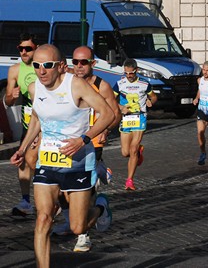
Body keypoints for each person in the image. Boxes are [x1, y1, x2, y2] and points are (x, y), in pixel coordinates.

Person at [10, 44, 114, 268]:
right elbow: (37, 120)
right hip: (47, 161)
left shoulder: (76, 86)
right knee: (43, 219)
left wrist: (83, 140)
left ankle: (100, 208)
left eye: (47, 66)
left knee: (77, 227)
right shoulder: (34, 88)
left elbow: (108, 114)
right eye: (37, 66)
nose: (41, 71)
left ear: (59, 66)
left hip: (77, 162)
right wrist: (22, 148)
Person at [52, 46, 121, 251]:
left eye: (84, 62)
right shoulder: (67, 82)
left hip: (92, 144)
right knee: (58, 188)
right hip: (66, 143)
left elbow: (115, 114)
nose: (79, 66)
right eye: (75, 62)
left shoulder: (103, 86)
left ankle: (83, 234)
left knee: (82, 191)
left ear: (93, 63)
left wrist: (105, 130)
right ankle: (71, 219)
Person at [4, 33, 38, 217]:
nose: (24, 52)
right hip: (28, 121)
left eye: (28, 49)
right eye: (21, 49)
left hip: (46, 121)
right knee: (24, 160)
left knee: (37, 161)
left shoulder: (43, 67)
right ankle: (26, 200)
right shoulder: (15, 70)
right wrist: (12, 96)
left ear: (36, 49)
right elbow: (8, 101)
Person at [113, 58, 157, 190]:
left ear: (136, 71)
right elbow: (110, 99)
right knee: (125, 152)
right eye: (126, 73)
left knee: (132, 149)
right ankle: (139, 152)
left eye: (130, 73)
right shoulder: (119, 84)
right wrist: (121, 107)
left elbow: (154, 97)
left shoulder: (144, 84)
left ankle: (129, 180)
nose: (128, 76)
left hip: (140, 117)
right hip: (126, 118)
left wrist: (151, 102)